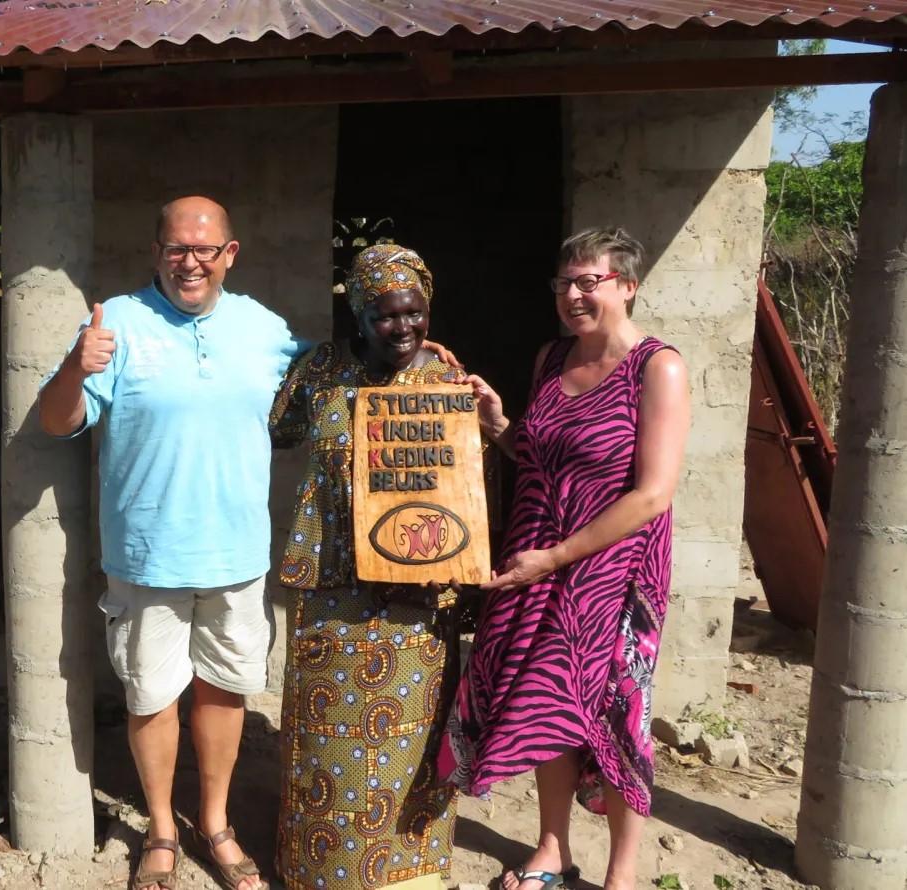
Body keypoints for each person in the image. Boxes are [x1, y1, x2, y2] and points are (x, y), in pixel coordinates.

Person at [38, 196, 300, 890]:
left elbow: (327, 391)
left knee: (223, 692)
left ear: (229, 254)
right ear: (156, 252)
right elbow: (58, 422)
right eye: (176, 249)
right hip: (148, 552)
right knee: (151, 695)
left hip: (237, 556)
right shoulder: (115, 322)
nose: (191, 262)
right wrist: (75, 365)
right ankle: (159, 827)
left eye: (205, 250)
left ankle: (214, 823)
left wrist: (421, 361)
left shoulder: (265, 329)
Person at [441, 227, 691, 890]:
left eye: (590, 281)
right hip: (540, 561)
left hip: (612, 575)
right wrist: (500, 426)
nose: (574, 295)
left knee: (613, 710)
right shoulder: (551, 360)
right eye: (564, 283)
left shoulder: (656, 367)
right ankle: (553, 848)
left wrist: (555, 558)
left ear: (627, 286)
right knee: (544, 699)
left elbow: (652, 494)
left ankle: (623, 873)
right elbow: (540, 455)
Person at [269, 244, 468, 890]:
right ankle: (319, 867)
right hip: (332, 583)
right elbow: (279, 429)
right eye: (385, 317)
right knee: (325, 732)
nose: (403, 328)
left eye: (415, 314)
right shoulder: (322, 370)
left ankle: (406, 869)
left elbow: (464, 483)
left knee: (411, 737)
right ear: (357, 314)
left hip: (418, 591)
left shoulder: (442, 379)